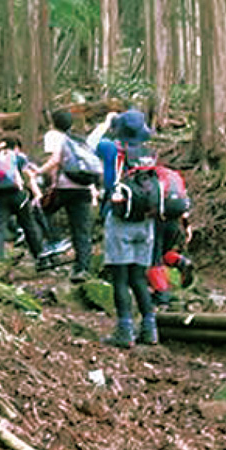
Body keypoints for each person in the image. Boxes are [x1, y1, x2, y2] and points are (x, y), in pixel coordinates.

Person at [96, 110, 157, 349]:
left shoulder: (110, 149)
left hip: (120, 219)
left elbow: (92, 144)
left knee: (120, 279)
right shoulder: (149, 154)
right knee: (138, 278)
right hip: (145, 221)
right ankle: (150, 329)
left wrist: (105, 123)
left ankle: (124, 331)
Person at [39, 109, 97, 283]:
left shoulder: (53, 136)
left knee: (39, 210)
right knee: (82, 230)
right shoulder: (79, 139)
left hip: (65, 187)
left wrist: (45, 178)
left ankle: (55, 242)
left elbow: (56, 160)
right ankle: (82, 268)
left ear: (53, 123)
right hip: (84, 188)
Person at [0, 135, 45, 264]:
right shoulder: (19, 157)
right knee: (28, 224)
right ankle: (40, 257)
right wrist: (36, 193)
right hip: (17, 195)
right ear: (16, 147)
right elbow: (28, 175)